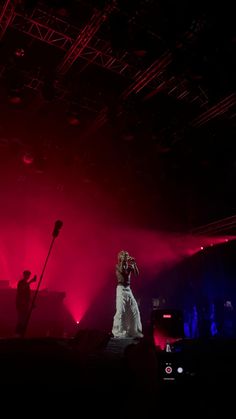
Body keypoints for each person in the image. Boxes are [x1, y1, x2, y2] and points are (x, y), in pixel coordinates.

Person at [112, 250, 143, 338]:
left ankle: (134, 331)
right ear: (120, 257)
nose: (126, 257)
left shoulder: (129, 266)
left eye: (127, 256)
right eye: (124, 256)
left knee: (134, 310)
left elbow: (137, 274)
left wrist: (134, 263)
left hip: (128, 290)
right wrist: (123, 261)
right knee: (121, 310)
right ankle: (118, 331)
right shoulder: (117, 266)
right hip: (121, 289)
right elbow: (122, 271)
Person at [15, 270, 37, 337]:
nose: (27, 276)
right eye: (27, 275)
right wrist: (30, 282)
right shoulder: (21, 283)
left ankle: (21, 334)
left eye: (28, 275)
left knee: (24, 319)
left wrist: (32, 303)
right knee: (21, 318)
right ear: (24, 275)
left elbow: (28, 295)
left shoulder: (26, 283)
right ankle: (18, 334)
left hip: (25, 304)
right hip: (21, 304)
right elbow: (22, 290)